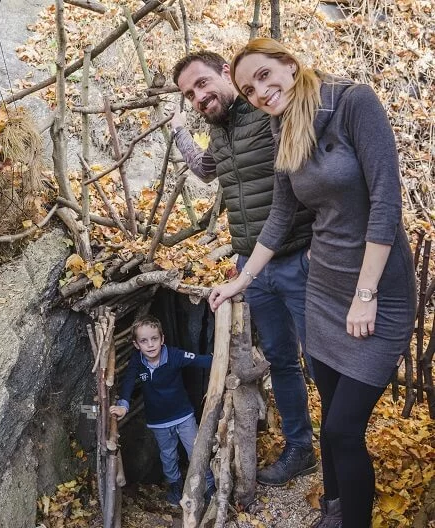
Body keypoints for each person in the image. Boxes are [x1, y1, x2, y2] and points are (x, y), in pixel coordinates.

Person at [212, 38, 417, 527]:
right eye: (248, 87)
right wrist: (243, 280)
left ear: (288, 63)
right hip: (324, 287)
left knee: (345, 429)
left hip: (377, 290)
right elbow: (281, 216)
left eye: (264, 75)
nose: (260, 91)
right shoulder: (282, 128)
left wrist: (366, 294)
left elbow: (387, 202)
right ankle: (334, 508)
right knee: (330, 409)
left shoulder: (352, 103)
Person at [171, 51, 317, 486]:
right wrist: (180, 133)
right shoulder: (218, 132)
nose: (198, 97)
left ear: (224, 73)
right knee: (281, 359)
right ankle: (301, 448)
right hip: (251, 267)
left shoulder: (265, 114)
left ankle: (344, 447)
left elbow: (309, 173)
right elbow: (203, 171)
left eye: (202, 83)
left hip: (297, 256)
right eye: (189, 94)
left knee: (323, 357)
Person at [109, 316, 215, 506]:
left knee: (196, 451)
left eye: (154, 339)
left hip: (183, 416)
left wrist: (221, 357)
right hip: (158, 421)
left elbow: (200, 361)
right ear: (136, 344)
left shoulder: (174, 355)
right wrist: (124, 404)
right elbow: (128, 382)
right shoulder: (137, 361)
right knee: (168, 455)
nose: (150, 345)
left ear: (162, 339)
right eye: (144, 341)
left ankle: (209, 486)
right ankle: (175, 485)